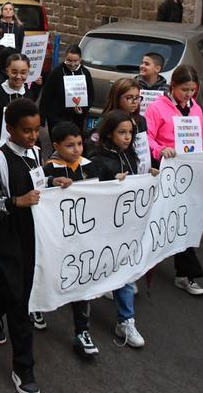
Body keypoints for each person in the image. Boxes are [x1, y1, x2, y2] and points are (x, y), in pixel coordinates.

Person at [0, 98, 44, 393]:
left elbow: (41, 186)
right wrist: (16, 202)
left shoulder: (38, 154)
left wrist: (57, 182)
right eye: (26, 130)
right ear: (10, 129)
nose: (32, 136)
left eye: (36, 129)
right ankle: (24, 369)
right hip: (6, 237)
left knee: (14, 286)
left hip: (33, 235)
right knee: (20, 302)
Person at [145, 65, 203, 295]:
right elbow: (147, 139)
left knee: (182, 221)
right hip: (164, 172)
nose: (189, 95)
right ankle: (141, 270)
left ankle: (185, 274)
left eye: (193, 90)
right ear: (173, 86)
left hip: (187, 175)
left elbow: (201, 138)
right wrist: (161, 150)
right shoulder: (156, 108)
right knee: (156, 221)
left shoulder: (196, 110)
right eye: (185, 90)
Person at [41, 121, 102, 356]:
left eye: (79, 144)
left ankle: (82, 331)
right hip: (56, 238)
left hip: (83, 239)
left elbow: (103, 190)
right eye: (70, 145)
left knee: (82, 283)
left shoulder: (90, 166)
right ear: (56, 146)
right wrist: (50, 184)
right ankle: (37, 306)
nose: (77, 149)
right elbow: (38, 190)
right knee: (50, 275)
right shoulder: (50, 168)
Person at [89, 111, 146, 349]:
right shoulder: (98, 160)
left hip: (125, 227)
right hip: (102, 228)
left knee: (125, 270)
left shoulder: (131, 155)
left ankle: (125, 320)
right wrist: (112, 183)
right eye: (121, 133)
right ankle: (80, 315)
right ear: (109, 134)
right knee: (93, 269)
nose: (127, 137)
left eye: (130, 133)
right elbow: (91, 193)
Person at [0, 54, 39, 149]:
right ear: (7, 71)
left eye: (23, 72)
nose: (18, 76)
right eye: (14, 72)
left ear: (28, 72)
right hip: (0, 147)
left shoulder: (28, 94)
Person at [39, 45, 94, 134]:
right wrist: (42, 117)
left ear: (80, 59)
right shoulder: (56, 72)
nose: (72, 64)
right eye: (69, 60)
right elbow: (46, 95)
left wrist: (83, 109)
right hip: (57, 118)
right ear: (65, 58)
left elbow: (90, 94)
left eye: (75, 61)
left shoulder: (85, 73)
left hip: (76, 119)